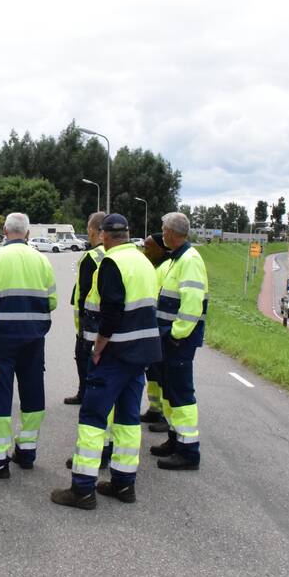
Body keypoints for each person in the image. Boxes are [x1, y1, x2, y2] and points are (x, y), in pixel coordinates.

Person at [52, 214, 161, 509]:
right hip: (139, 354)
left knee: (92, 418)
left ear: (104, 235)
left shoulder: (111, 263)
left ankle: (82, 489)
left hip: (114, 354)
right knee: (127, 420)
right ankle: (124, 484)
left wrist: (98, 348)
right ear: (127, 233)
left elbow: (111, 312)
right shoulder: (142, 261)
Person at [0, 212, 57, 478]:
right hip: (34, 339)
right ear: (28, 234)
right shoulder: (42, 260)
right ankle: (27, 451)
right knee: (33, 393)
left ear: (3, 232)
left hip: (0, 339)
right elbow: (52, 302)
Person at [150, 212, 208, 470]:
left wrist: (176, 334)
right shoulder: (177, 258)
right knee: (170, 392)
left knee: (182, 394)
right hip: (168, 338)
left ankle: (188, 451)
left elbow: (192, 305)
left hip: (178, 341)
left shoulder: (190, 260)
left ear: (172, 233)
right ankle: (175, 439)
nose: (162, 234)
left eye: (164, 230)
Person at [64, 211, 106, 405]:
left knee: (83, 355)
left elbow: (84, 293)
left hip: (89, 318)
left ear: (92, 230)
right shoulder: (113, 252)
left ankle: (85, 392)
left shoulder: (90, 257)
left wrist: (82, 322)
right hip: (108, 316)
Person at [140, 233, 169, 431]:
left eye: (149, 247)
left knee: (164, 375)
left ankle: (165, 417)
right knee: (152, 372)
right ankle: (155, 408)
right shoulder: (156, 266)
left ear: (161, 249)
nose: (145, 251)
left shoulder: (166, 268)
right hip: (153, 329)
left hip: (162, 330)